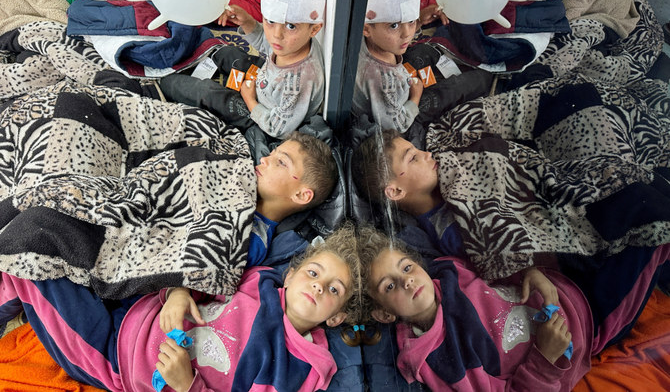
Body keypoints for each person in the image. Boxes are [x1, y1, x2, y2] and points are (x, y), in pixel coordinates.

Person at [0, 225, 362, 392]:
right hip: (135, 305)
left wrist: (188, 385)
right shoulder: (264, 282)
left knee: (27, 259)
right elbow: (208, 283)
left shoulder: (302, 370)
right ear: (294, 273)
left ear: (336, 316)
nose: (318, 285)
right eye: (314, 273)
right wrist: (177, 294)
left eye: (333, 289)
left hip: (116, 360)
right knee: (42, 233)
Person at [358, 228, 670, 392]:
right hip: (592, 319)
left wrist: (529, 273)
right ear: (385, 314)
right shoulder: (443, 363)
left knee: (634, 209)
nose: (408, 280)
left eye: (408, 266)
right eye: (389, 286)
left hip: (560, 274)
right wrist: (545, 359)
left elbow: (494, 271)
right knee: (655, 236)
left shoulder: (446, 272)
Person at [160, 0, 326, 140]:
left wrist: (250, 99)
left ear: (314, 29)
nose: (276, 35)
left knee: (210, 94)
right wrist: (248, 23)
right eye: (270, 21)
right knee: (227, 53)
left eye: (291, 26)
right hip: (266, 82)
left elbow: (278, 128)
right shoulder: (294, 44)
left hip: (262, 118)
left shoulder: (298, 83)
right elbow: (266, 43)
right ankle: (193, 63)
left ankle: (161, 83)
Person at [351, 0, 492, 135]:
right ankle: (489, 80)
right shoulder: (382, 80)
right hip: (402, 120)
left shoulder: (371, 39)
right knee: (455, 89)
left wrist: (419, 20)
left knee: (425, 52)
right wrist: (415, 98)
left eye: (410, 21)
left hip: (399, 85)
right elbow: (396, 125)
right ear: (366, 29)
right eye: (394, 25)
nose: (407, 34)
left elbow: (399, 29)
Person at [352, 128, 462, 257]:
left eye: (417, 149)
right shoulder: (452, 233)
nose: (428, 154)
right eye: (413, 158)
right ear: (396, 191)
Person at [248, 131, 337, 266]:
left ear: (301, 195)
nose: (264, 159)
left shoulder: (252, 243)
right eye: (271, 154)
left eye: (281, 162)